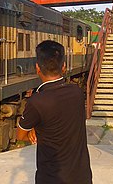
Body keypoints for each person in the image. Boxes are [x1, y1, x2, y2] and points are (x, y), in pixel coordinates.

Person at [17, 40, 92, 184]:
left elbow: (21, 135)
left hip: (52, 178)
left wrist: (34, 130)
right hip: (82, 176)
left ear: (37, 68)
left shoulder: (37, 101)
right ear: (64, 67)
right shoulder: (77, 92)